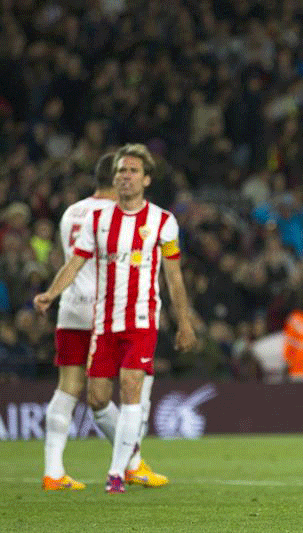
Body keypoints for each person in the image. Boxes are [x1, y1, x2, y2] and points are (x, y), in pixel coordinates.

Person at [34, 144, 196, 493]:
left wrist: (184, 322)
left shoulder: (160, 221)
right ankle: (131, 460)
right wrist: (51, 291)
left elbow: (174, 276)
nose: (126, 176)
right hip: (101, 319)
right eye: (121, 171)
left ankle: (116, 472)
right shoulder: (98, 219)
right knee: (96, 398)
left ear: (146, 179)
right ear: (113, 176)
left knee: (128, 386)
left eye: (133, 171)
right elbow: (75, 261)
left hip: (135, 317)